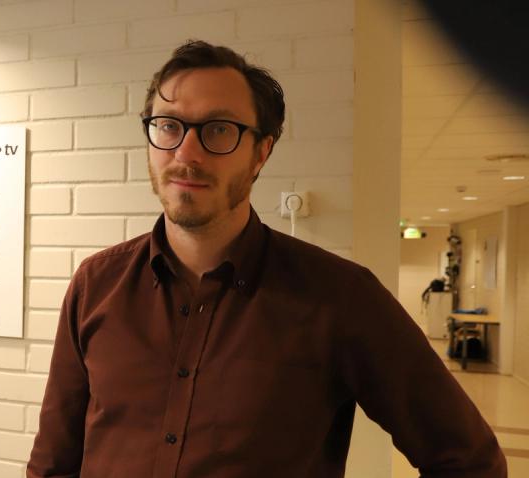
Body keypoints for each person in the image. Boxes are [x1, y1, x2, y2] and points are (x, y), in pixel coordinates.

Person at [26, 40, 506, 477]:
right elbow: (53, 463)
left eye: (219, 130)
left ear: (261, 152)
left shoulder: (340, 297)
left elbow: (469, 462)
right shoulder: (97, 284)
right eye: (168, 126)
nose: (186, 152)